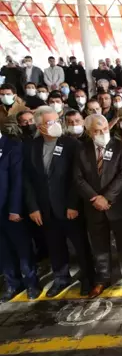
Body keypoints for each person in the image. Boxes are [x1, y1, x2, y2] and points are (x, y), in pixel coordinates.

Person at [24, 106, 95, 297]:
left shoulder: (71, 145)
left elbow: (77, 178)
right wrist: (33, 207)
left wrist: (73, 204)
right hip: (45, 208)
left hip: (69, 207)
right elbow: (28, 180)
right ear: (39, 127)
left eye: (57, 120)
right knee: (54, 246)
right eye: (50, 122)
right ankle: (61, 278)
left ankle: (88, 278)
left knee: (80, 245)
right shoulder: (32, 146)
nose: (55, 125)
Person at [74, 114, 122, 298]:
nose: (102, 133)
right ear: (89, 131)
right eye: (97, 130)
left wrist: (107, 198)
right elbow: (78, 178)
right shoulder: (82, 150)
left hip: (115, 205)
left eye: (104, 129)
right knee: (99, 244)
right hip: (93, 206)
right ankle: (102, 278)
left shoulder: (120, 147)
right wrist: (95, 198)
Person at [0, 124, 41, 302]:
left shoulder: (12, 146)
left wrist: (15, 209)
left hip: (11, 209)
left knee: (22, 247)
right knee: (3, 250)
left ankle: (31, 282)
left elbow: (17, 181)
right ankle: (12, 283)